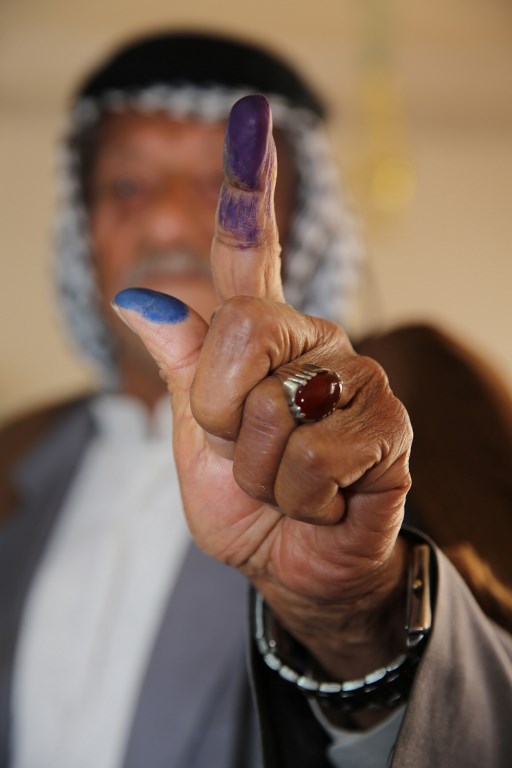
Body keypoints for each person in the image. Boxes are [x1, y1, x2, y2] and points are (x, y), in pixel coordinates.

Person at [1, 30, 512, 768]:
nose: (166, 222)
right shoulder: (15, 456)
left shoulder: (410, 424)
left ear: (298, 224)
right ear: (84, 231)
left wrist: (351, 616)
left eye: (216, 184)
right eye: (128, 186)